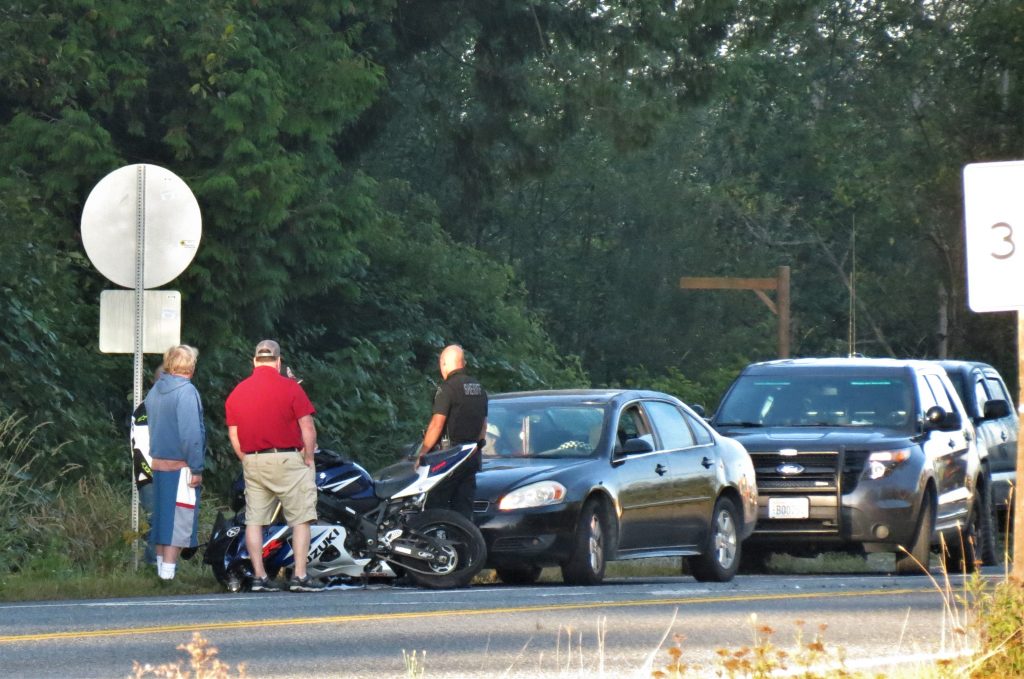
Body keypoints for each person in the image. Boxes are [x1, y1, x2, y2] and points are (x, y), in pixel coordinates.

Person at [225, 339, 323, 593]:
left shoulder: (238, 392)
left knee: (254, 520)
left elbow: (234, 434)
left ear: (254, 361)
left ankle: (259, 577)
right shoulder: (290, 388)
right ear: (278, 362)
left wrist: (245, 457)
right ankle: (299, 575)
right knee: (300, 519)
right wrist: (308, 457)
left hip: (253, 460)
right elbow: (307, 426)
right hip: (287, 459)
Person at [144, 346, 205, 581]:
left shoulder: (156, 390)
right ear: (191, 365)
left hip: (158, 464)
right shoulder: (186, 391)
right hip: (181, 466)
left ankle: (161, 571)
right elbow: (191, 434)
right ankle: (169, 574)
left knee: (162, 519)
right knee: (179, 519)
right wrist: (196, 467)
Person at [417, 344, 488, 519]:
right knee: (463, 509)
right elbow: (483, 426)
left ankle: (438, 536)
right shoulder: (479, 388)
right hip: (471, 456)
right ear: (463, 363)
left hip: (448, 458)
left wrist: (423, 453)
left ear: (444, 364)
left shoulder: (447, 388)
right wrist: (475, 447)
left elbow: (437, 424)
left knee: (436, 508)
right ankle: (464, 536)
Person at [130, 367, 163, 566]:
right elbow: (142, 446)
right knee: (157, 521)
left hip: (155, 472)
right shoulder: (147, 409)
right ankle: (153, 565)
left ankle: (162, 567)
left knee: (162, 522)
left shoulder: (151, 406)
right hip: (151, 474)